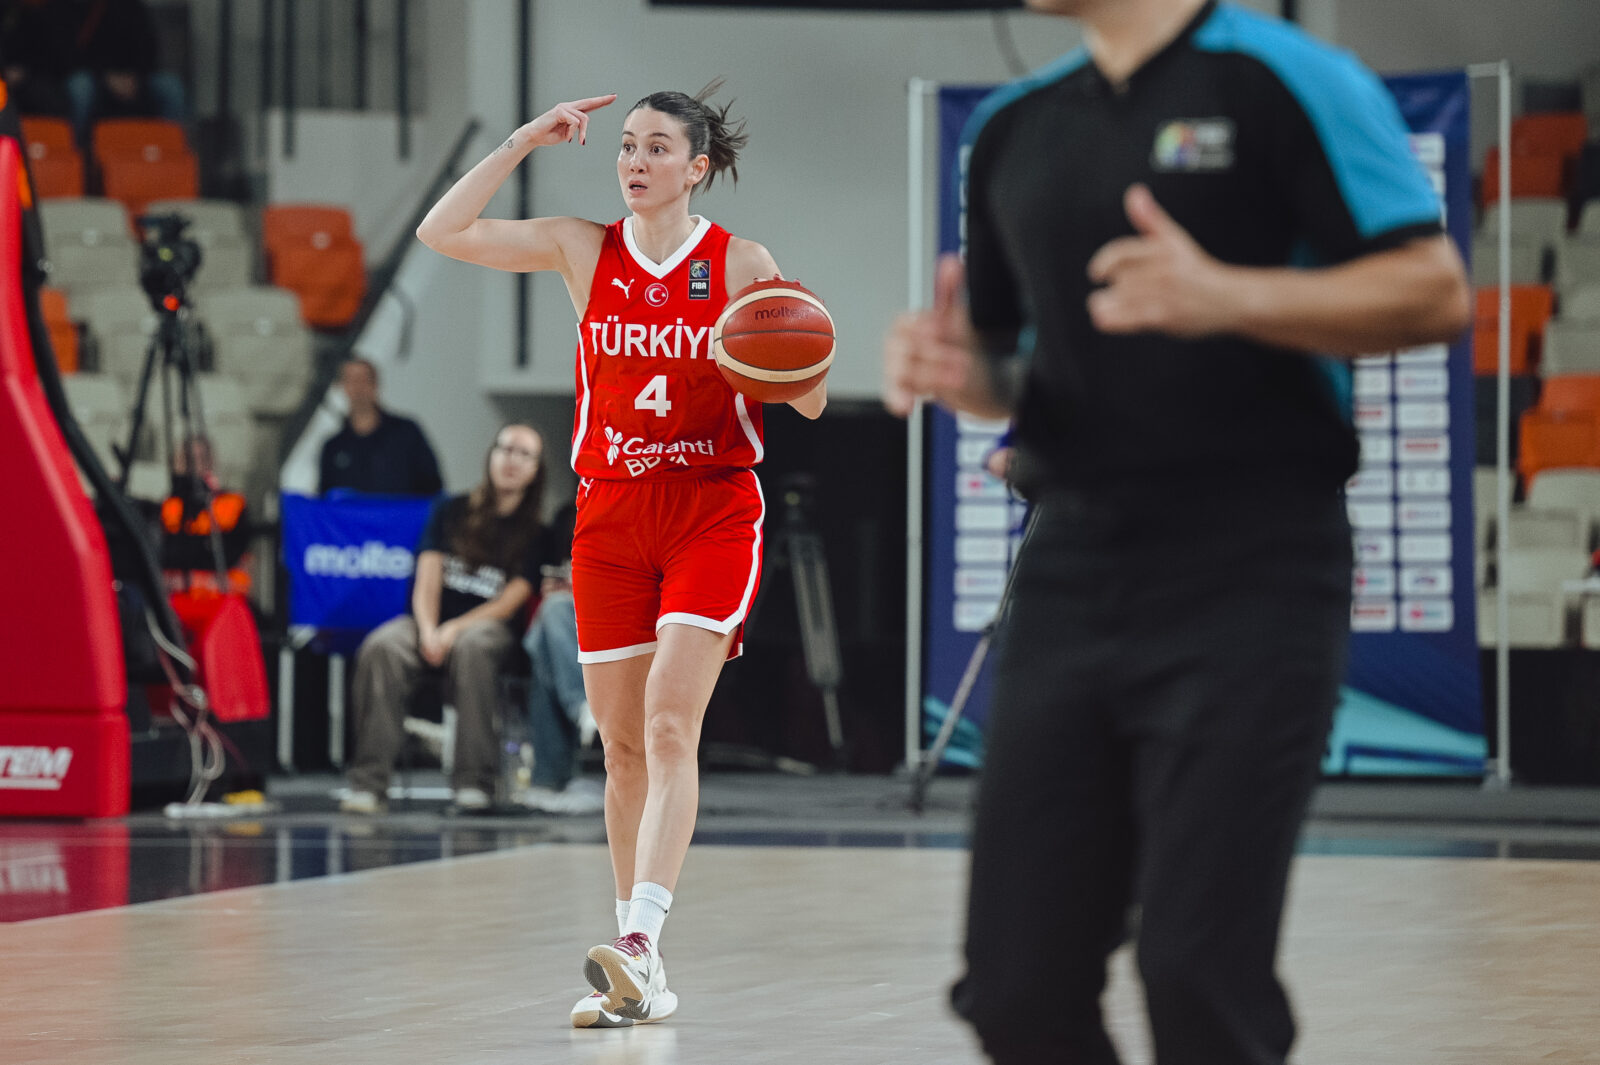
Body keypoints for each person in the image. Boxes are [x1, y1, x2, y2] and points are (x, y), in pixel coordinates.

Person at [883, 2, 1472, 1063]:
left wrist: (1228, 296)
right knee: (1015, 989)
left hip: (1251, 562)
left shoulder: (1290, 80)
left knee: (1197, 975)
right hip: (1068, 565)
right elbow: (1016, 365)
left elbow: (1431, 289)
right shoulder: (1015, 128)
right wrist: (969, 379)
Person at [416, 82, 826, 1029]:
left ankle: (639, 939)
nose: (634, 161)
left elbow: (806, 397)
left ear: (699, 167)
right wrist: (525, 136)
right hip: (609, 516)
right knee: (623, 746)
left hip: (711, 512)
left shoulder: (739, 261)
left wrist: (781, 356)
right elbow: (445, 230)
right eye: (626, 145)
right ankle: (640, 970)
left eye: (655, 147)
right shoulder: (581, 246)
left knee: (673, 726)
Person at [340, 423, 549, 815]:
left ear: (536, 470)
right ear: (491, 454)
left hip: (488, 632)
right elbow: (427, 577)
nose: (511, 460)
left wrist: (452, 630)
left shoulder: (538, 533)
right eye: (505, 448)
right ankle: (368, 784)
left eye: (524, 454)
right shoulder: (450, 510)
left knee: (472, 648)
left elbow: (509, 602)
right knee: (383, 646)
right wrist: (428, 629)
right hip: (430, 622)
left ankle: (474, 783)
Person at [516, 500, 605, 815]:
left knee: (548, 633)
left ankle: (549, 777)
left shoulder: (628, 521)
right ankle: (583, 709)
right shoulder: (556, 530)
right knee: (549, 621)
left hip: (613, 626)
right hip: (569, 636)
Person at [318, 357, 444, 497]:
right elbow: (325, 503)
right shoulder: (333, 447)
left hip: (403, 518)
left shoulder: (406, 433)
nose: (358, 387)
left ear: (375, 384)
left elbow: (433, 489)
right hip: (354, 519)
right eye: (351, 380)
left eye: (364, 379)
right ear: (343, 386)